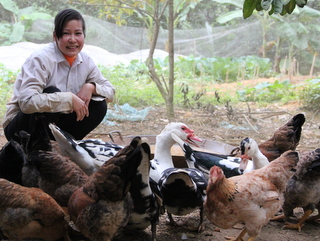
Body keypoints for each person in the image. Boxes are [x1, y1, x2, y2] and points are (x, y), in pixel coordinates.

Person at [3, 8, 115, 141]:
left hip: (56, 124)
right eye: (66, 33)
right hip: (20, 129)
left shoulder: (86, 61)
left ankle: (65, 147)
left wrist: (91, 87)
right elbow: (27, 103)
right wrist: (68, 99)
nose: (73, 40)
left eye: (78, 33)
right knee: (51, 91)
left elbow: (110, 91)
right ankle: (34, 150)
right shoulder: (40, 59)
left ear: (83, 36)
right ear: (55, 36)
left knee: (99, 105)